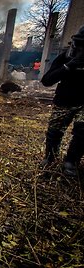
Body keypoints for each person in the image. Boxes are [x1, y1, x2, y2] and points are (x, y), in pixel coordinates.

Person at [40, 25, 84, 177]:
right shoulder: (66, 57)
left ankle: (71, 161)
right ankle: (50, 158)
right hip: (64, 101)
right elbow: (46, 80)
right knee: (54, 131)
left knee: (82, 131)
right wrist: (68, 67)